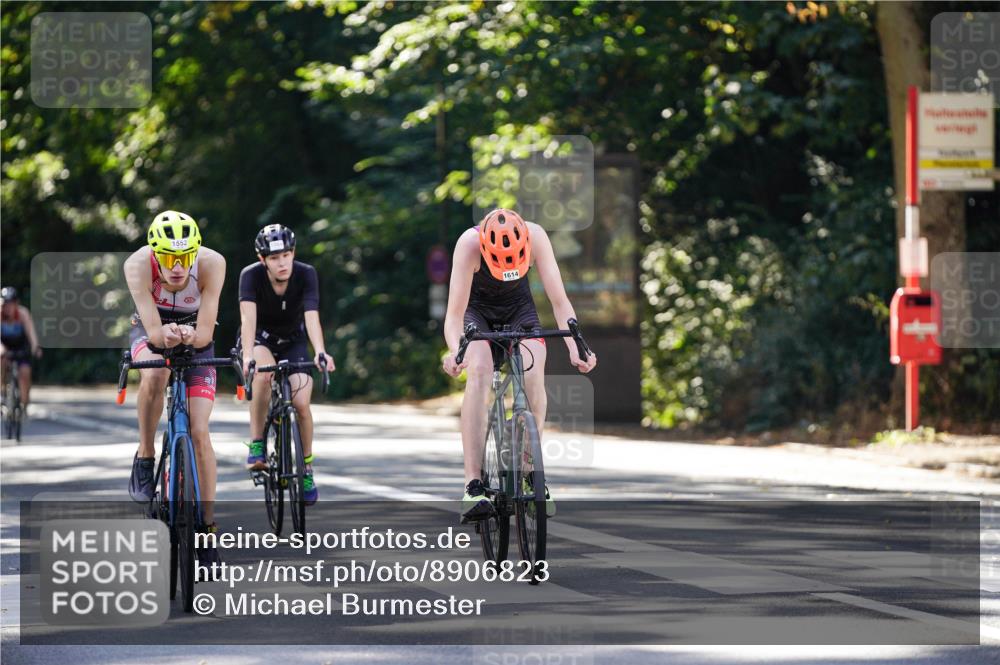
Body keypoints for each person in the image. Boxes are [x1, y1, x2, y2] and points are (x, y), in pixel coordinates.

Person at [441, 208, 597, 522]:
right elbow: (455, 316)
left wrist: (575, 345)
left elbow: (559, 301)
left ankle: (529, 471)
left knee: (534, 367)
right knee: (481, 370)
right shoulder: (468, 244)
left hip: (519, 311)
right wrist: (457, 352)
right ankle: (472, 485)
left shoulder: (537, 235)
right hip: (477, 314)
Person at [124, 211, 226, 562]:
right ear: (155, 255)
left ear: (195, 253)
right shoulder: (137, 265)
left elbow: (207, 333)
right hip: (151, 326)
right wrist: (164, 336)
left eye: (185, 257)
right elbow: (153, 333)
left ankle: (208, 529)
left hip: (197, 332)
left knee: (199, 433)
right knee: (154, 375)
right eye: (169, 258)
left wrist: (191, 336)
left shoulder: (213, 264)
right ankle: (146, 455)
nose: (178, 266)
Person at [238, 224, 334, 505]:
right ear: (263, 260)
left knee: (302, 402)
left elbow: (312, 316)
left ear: (293, 253)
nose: (282, 263)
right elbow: (247, 319)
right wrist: (247, 356)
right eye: (275, 258)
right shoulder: (250, 276)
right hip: (260, 339)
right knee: (263, 376)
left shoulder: (306, 274)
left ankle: (306, 468)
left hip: (293, 341)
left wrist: (320, 352)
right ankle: (257, 443)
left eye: (287, 255)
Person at [1, 287, 42, 412]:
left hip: (20, 348)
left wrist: (35, 347)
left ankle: (24, 403)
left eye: (10, 304)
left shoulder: (23, 314)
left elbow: (31, 332)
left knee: (25, 373)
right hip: (4, 348)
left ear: (16, 304)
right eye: (5, 304)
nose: (7, 308)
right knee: (1, 361)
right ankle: (2, 391)